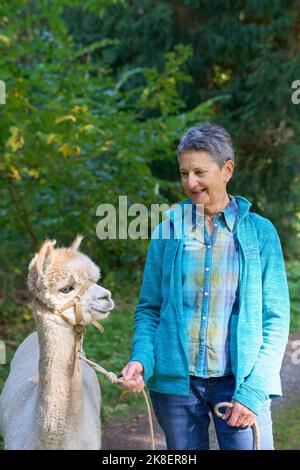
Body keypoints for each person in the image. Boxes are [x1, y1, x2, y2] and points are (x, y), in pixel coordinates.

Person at [120, 123, 290, 450]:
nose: (190, 182)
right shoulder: (168, 231)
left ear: (227, 170)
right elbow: (150, 309)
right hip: (176, 390)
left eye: (199, 172)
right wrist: (141, 358)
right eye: (184, 173)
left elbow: (276, 319)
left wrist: (253, 392)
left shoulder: (261, 234)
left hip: (238, 387)